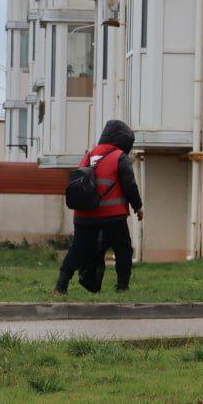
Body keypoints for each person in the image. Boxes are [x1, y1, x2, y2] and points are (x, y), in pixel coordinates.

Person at [54, 119, 143, 295]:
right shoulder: (120, 157)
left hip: (84, 214)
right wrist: (137, 207)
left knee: (78, 248)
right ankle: (122, 287)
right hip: (112, 214)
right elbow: (130, 186)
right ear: (124, 141)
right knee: (123, 249)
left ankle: (60, 286)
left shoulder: (89, 155)